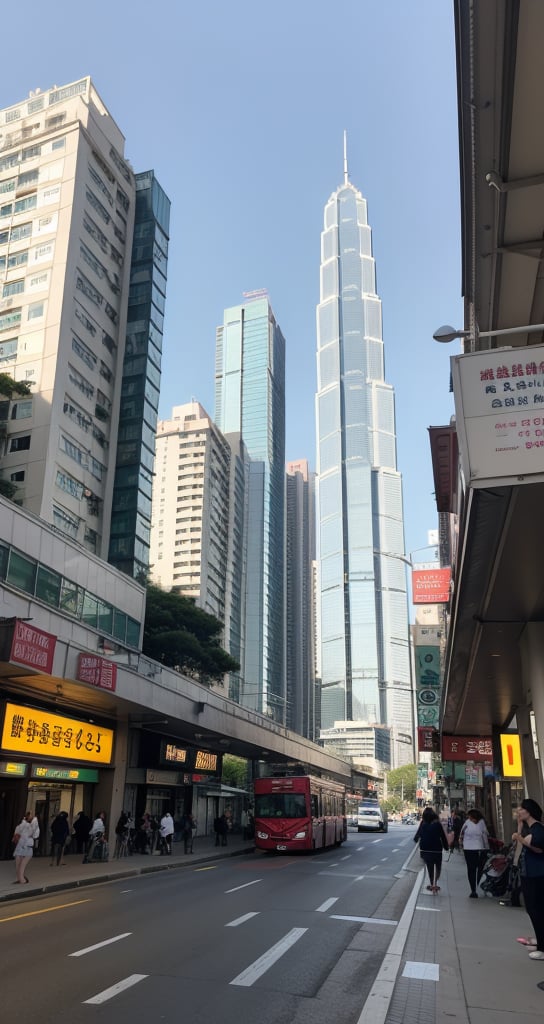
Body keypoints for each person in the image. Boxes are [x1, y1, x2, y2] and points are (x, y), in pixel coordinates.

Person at [512, 799, 544, 960]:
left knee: (536, 909)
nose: (519, 810)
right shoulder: (530, 828)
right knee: (532, 909)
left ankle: (542, 948)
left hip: (536, 875)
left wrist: (520, 839)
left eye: (522, 808)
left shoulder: (538, 829)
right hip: (529, 873)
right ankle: (540, 941)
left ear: (529, 811)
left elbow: (538, 848)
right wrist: (519, 830)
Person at [413, 807, 449, 892]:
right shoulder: (437, 824)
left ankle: (431, 883)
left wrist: (417, 839)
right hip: (437, 850)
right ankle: (435, 884)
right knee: (438, 867)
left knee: (430, 868)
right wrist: (446, 847)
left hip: (425, 850)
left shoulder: (423, 823)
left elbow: (417, 836)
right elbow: (443, 837)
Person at [460, 808, 489, 897]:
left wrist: (486, 847)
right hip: (472, 848)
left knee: (474, 869)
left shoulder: (479, 823)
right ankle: (474, 889)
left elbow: (462, 833)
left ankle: (475, 887)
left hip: (476, 848)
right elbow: (484, 835)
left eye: (469, 816)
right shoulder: (470, 822)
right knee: (473, 869)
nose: (468, 817)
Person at [12, 810, 39, 884]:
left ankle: (19, 878)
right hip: (28, 845)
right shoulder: (33, 825)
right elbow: (35, 835)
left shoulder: (20, 825)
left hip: (19, 845)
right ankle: (22, 880)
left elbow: (16, 834)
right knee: (23, 864)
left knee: (18, 863)